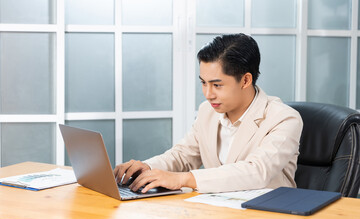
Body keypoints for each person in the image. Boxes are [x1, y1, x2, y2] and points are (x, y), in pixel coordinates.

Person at [114, 33, 303, 194]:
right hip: (216, 212)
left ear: (245, 80)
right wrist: (147, 168)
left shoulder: (284, 118)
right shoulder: (208, 111)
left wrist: (183, 179)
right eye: (203, 82)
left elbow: (257, 171)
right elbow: (183, 155)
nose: (208, 94)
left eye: (217, 85)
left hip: (267, 215)